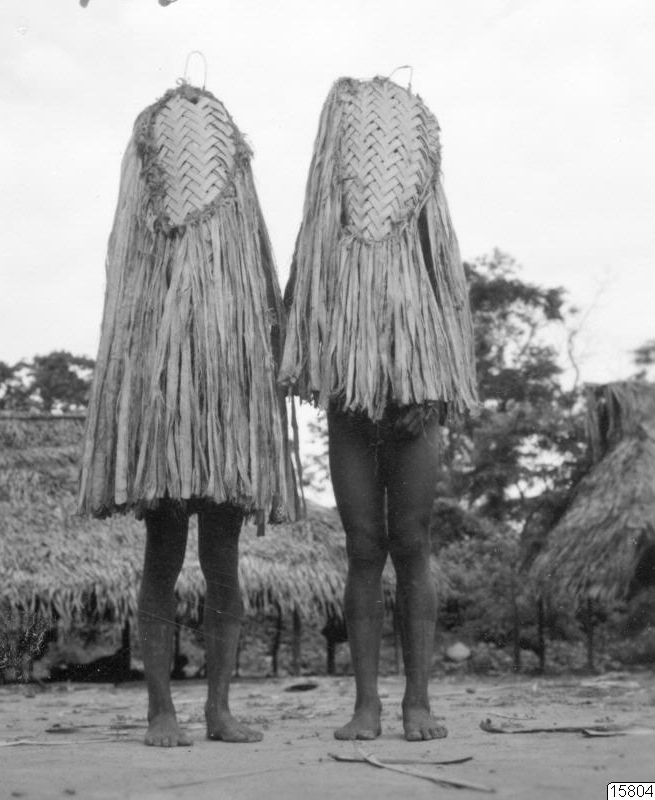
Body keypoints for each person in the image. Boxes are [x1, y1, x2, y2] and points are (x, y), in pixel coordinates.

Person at [78, 83, 297, 746]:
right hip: (165, 414)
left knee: (223, 559)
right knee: (163, 557)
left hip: (228, 408)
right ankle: (160, 711)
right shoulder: (144, 246)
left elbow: (262, 299)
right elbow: (126, 317)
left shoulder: (238, 233)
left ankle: (219, 709)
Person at [280, 76, 478, 741]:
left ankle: (418, 701)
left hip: (413, 399)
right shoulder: (324, 225)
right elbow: (305, 305)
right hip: (351, 403)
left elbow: (450, 300)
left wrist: (433, 387)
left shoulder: (429, 221)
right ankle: (366, 704)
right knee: (364, 546)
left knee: (412, 542)